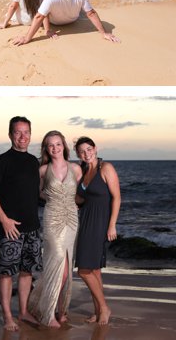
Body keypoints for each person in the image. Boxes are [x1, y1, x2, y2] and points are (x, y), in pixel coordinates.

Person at [0, 116, 42, 331]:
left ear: (30, 135)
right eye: (18, 132)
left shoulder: (33, 161)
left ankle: (24, 312)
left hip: (33, 227)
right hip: (10, 228)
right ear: (10, 135)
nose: (22, 137)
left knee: (27, 271)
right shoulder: (1, 161)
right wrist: (5, 220)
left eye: (26, 132)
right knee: (7, 273)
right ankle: (8, 316)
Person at [26, 131, 81, 328]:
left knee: (67, 265)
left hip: (72, 219)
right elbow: (38, 192)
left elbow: (82, 193)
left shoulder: (76, 168)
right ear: (46, 148)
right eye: (51, 145)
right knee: (56, 262)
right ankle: (48, 314)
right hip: (52, 218)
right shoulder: (42, 170)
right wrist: (52, 197)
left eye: (58, 144)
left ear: (64, 146)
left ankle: (61, 310)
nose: (55, 148)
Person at [74, 136, 121, 325]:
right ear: (78, 154)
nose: (86, 153)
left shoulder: (106, 168)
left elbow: (117, 198)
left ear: (95, 148)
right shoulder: (85, 171)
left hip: (100, 223)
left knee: (83, 270)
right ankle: (97, 311)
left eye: (89, 149)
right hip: (85, 220)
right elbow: (80, 199)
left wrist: (112, 225)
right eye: (82, 151)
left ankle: (104, 308)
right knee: (94, 270)